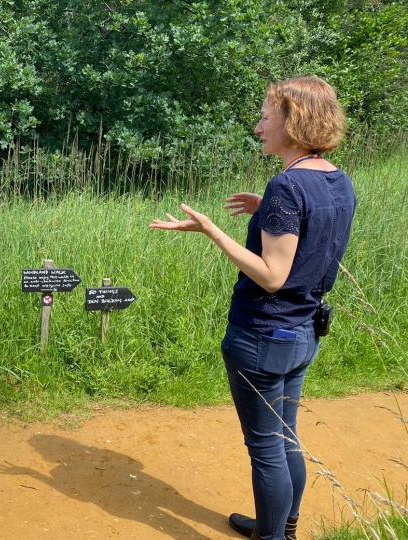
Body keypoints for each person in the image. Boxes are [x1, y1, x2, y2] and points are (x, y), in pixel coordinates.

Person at [149, 75, 356, 540]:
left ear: (293, 120)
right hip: (303, 334)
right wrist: (267, 209)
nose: (259, 126)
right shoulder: (337, 181)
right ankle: (283, 527)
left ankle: (272, 537)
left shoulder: (286, 185)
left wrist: (211, 231)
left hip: (263, 336)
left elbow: (272, 275)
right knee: (286, 438)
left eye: (266, 116)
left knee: (266, 447)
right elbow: (317, 226)